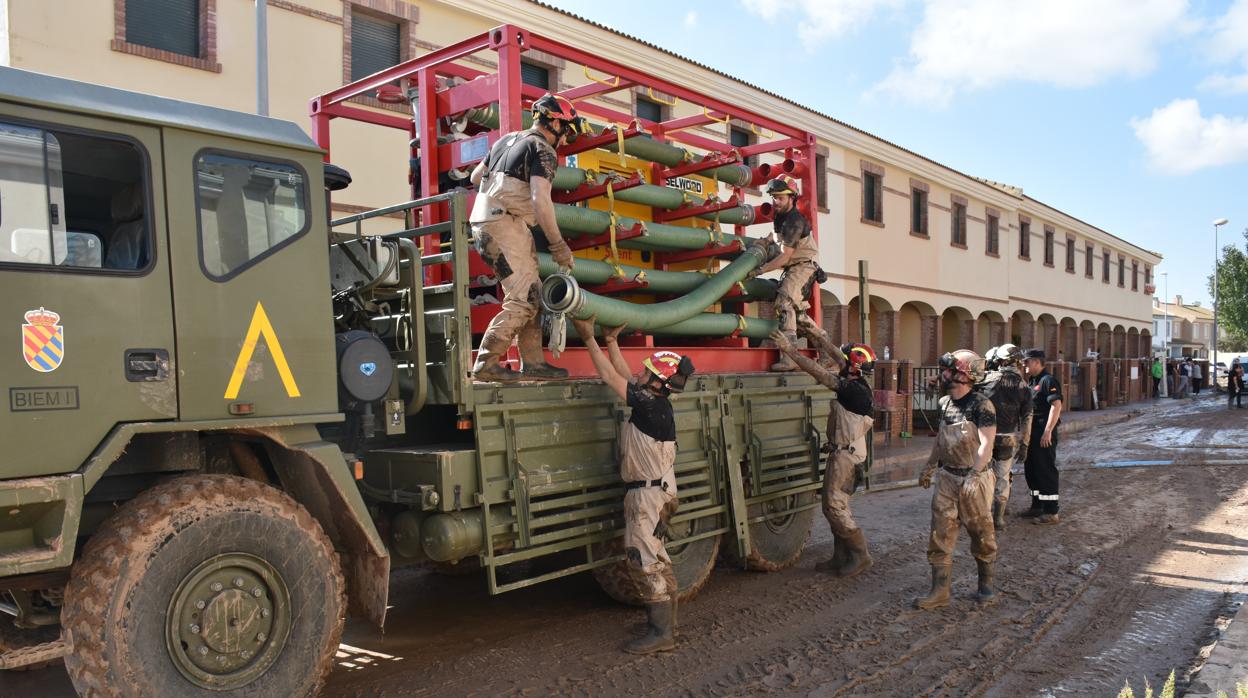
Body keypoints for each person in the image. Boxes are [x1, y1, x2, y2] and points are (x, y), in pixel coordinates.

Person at [572, 314, 694, 654]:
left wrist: (588, 339)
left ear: (657, 381)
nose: (640, 375)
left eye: (647, 373)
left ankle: (660, 633)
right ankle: (668, 625)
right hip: (659, 490)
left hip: (647, 494)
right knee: (657, 554)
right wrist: (611, 341)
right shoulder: (653, 402)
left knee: (643, 558)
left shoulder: (649, 406)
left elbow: (611, 376)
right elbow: (628, 378)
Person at [468, 94, 587, 382]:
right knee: (522, 300)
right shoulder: (543, 149)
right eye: (568, 130)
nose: (567, 138)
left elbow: (474, 178)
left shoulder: (506, 140)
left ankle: (533, 363)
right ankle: (486, 364)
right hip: (503, 223)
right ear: (556, 123)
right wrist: (558, 245)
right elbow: (540, 199)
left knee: (532, 291)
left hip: (490, 221)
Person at [771, 329, 876, 577]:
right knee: (834, 506)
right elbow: (838, 356)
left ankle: (860, 555)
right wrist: (817, 336)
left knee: (835, 506)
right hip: (845, 452)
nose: (842, 361)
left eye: (847, 360)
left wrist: (790, 350)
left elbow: (818, 373)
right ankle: (840, 556)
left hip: (847, 456)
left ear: (855, 367)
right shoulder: (856, 380)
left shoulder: (853, 389)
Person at [915, 350, 998, 610]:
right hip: (948, 478)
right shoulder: (945, 404)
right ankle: (939, 591)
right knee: (940, 534)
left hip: (975, 478)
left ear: (963, 374)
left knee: (982, 534)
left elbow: (987, 443)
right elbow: (941, 439)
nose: (943, 374)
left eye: (948, 370)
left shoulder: (981, 405)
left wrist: (975, 474)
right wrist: (930, 466)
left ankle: (986, 586)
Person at [751, 175, 821, 372]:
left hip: (803, 266)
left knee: (784, 302)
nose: (776, 201)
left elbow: (784, 256)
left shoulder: (795, 220)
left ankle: (789, 358)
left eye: (780, 198)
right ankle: (828, 352)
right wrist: (766, 241)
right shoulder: (780, 216)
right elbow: (777, 234)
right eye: (774, 197)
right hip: (794, 266)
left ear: (792, 198)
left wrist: (760, 270)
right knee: (798, 317)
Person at [979, 344, 1033, 531]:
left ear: (1000, 361)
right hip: (1007, 438)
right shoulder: (1024, 387)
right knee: (1002, 476)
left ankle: (982, 512)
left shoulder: (986, 380)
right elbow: (1027, 419)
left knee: (982, 474)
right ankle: (999, 518)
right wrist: (1025, 444)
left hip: (984, 437)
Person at [1023, 349, 1063, 525]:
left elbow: (1056, 406)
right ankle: (1037, 505)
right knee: (1031, 469)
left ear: (1037, 362)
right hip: (1032, 432)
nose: (1024, 365)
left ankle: (1051, 511)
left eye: (1027, 362)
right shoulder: (1033, 381)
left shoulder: (1048, 381)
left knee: (1045, 469)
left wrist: (1048, 431)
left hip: (1043, 432)